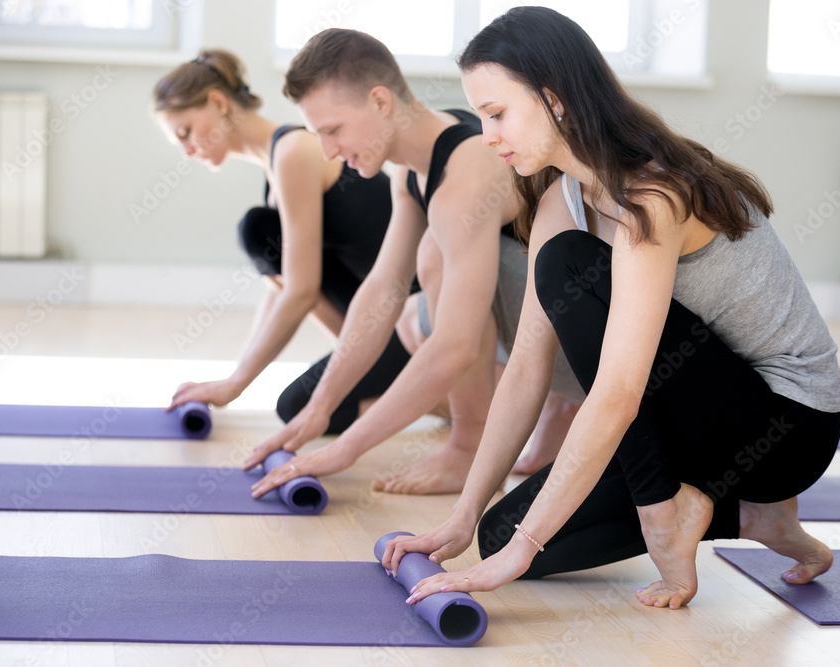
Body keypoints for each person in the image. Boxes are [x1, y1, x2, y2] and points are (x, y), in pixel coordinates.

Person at [382, 6, 840, 611]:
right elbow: (525, 366)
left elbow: (621, 390)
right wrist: (464, 519)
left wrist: (526, 546)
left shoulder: (652, 195)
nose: (487, 134)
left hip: (787, 426)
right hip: (703, 426)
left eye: (497, 114)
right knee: (503, 535)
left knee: (568, 266)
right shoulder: (560, 201)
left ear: (555, 100)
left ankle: (669, 510)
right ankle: (747, 516)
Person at [243, 29, 585, 497]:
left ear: (380, 102)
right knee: (409, 300)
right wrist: (321, 407)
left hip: (598, 359)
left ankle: (470, 446)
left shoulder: (464, 175)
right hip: (553, 336)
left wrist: (347, 447)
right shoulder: (412, 169)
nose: (327, 152)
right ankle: (549, 410)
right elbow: (382, 289)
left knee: (433, 259)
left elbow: (457, 346)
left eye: (332, 130)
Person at [153, 49, 419, 433]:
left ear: (217, 102)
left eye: (186, 132)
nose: (187, 150)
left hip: (418, 314)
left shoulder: (295, 152)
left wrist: (236, 384)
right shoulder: (276, 168)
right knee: (261, 231)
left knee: (297, 405)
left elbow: (300, 291)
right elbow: (283, 291)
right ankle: (396, 379)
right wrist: (235, 375)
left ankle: (434, 395)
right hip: (378, 311)